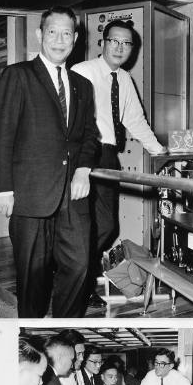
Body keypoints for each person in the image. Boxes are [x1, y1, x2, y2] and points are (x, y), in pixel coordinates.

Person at [0, 5, 101, 318]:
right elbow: (1, 134)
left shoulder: (82, 86)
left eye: (67, 33)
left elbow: (90, 135)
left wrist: (83, 167)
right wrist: (1, 189)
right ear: (40, 35)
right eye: (53, 32)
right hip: (30, 195)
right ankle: (31, 327)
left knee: (79, 265)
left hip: (72, 196)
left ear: (76, 38)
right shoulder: (18, 75)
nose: (59, 39)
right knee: (33, 278)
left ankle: (65, 320)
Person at [72, 19, 166, 308]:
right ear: (103, 42)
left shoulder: (124, 79)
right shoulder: (82, 71)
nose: (120, 47)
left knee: (106, 225)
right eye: (114, 41)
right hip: (83, 155)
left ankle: (76, 275)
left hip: (108, 154)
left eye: (126, 43)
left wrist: (159, 150)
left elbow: (134, 120)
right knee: (83, 226)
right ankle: (77, 282)